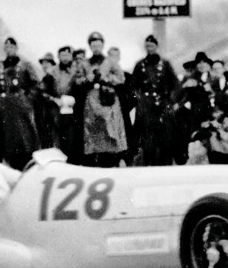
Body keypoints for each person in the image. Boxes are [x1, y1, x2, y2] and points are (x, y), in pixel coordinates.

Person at [75, 32, 128, 168]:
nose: (96, 48)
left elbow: (121, 78)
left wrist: (107, 79)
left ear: (103, 45)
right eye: (93, 45)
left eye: (99, 45)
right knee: (92, 136)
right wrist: (88, 79)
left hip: (107, 101)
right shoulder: (84, 63)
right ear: (90, 47)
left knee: (109, 134)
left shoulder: (111, 61)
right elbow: (78, 80)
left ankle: (111, 163)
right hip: (91, 103)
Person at [0, 37, 41, 170]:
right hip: (6, 110)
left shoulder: (25, 65)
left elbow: (36, 84)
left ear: (16, 48)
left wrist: (27, 99)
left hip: (22, 109)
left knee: (26, 140)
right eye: (6, 47)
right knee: (8, 142)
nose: (9, 49)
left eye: (12, 47)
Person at [131, 34, 179, 166]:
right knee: (148, 141)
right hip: (146, 107)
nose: (149, 48)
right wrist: (139, 100)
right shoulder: (140, 65)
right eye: (147, 46)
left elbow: (175, 84)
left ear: (156, 46)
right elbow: (133, 87)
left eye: (152, 45)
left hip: (163, 105)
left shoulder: (165, 64)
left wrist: (171, 100)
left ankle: (167, 167)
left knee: (166, 139)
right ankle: (148, 168)